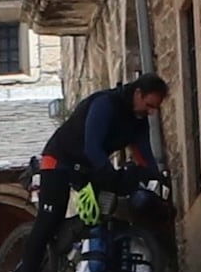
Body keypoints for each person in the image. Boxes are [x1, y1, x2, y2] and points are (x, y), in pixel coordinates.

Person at [32, 72, 169, 234]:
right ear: (138, 94)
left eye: (155, 108)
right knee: (49, 222)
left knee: (104, 218)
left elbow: (144, 155)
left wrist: (155, 178)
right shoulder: (105, 104)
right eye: (149, 105)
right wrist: (112, 176)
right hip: (58, 160)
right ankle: (30, 260)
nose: (152, 112)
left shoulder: (138, 121)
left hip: (86, 167)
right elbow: (92, 148)